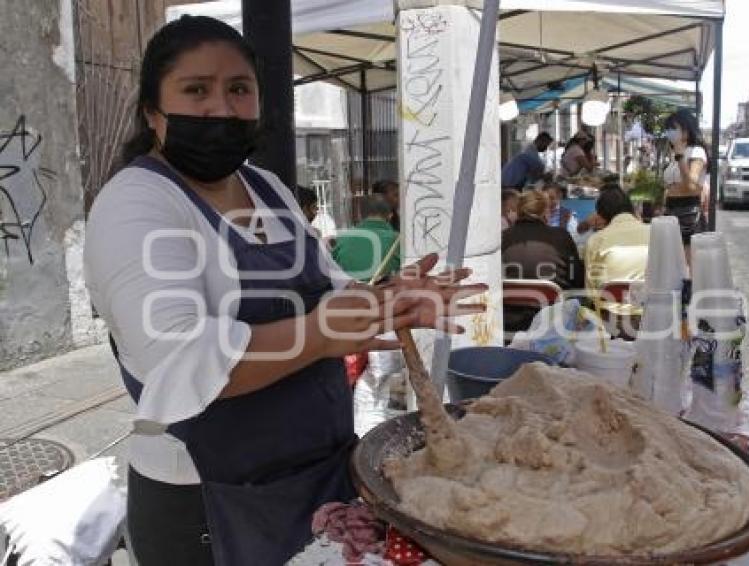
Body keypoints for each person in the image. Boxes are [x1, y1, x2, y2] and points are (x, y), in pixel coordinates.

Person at [83, 16, 485, 566]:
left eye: (239, 90)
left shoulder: (265, 187)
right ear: (154, 112)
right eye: (196, 90)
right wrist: (321, 337)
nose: (221, 109)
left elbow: (324, 286)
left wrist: (383, 299)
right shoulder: (136, 205)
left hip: (319, 475)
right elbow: (178, 357)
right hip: (209, 500)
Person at [502, 190, 583, 291]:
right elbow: (577, 278)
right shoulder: (561, 235)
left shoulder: (503, 236)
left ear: (518, 211)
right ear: (545, 212)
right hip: (554, 303)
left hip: (511, 302)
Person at [585, 185, 650, 290]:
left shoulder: (596, 240)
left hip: (608, 304)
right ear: (631, 208)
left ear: (601, 215)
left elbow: (591, 291)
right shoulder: (655, 233)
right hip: (652, 303)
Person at [662, 109, 709, 250]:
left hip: (687, 211)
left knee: (687, 260)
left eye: (674, 128)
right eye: (668, 129)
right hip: (671, 209)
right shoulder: (676, 153)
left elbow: (691, 185)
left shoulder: (696, 152)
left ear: (686, 130)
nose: (670, 132)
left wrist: (680, 157)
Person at [332, 195, 401, 282]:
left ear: (360, 215)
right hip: (387, 293)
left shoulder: (342, 239)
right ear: (390, 215)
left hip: (349, 293)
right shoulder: (399, 240)